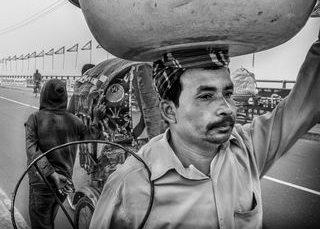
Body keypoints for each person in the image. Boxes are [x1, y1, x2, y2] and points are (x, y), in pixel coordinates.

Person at [89, 30, 320, 228]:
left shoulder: (248, 149)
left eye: (227, 94)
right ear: (169, 111)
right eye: (206, 96)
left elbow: (307, 102)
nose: (227, 108)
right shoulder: (130, 186)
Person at [25, 79, 104, 229]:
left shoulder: (35, 118)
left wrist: (52, 174)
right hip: (63, 183)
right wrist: (96, 118)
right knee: (48, 221)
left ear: (44, 95)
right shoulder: (74, 121)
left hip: (42, 182)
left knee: (41, 224)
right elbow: (92, 135)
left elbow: (32, 150)